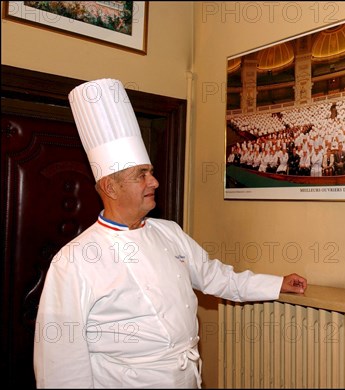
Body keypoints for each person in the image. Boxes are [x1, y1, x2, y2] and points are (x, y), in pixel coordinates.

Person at [33, 78, 307, 388]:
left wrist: (276, 284)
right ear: (110, 187)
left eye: (150, 172)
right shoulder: (73, 261)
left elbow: (216, 277)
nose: (155, 182)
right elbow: (60, 363)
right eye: (142, 175)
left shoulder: (169, 232)